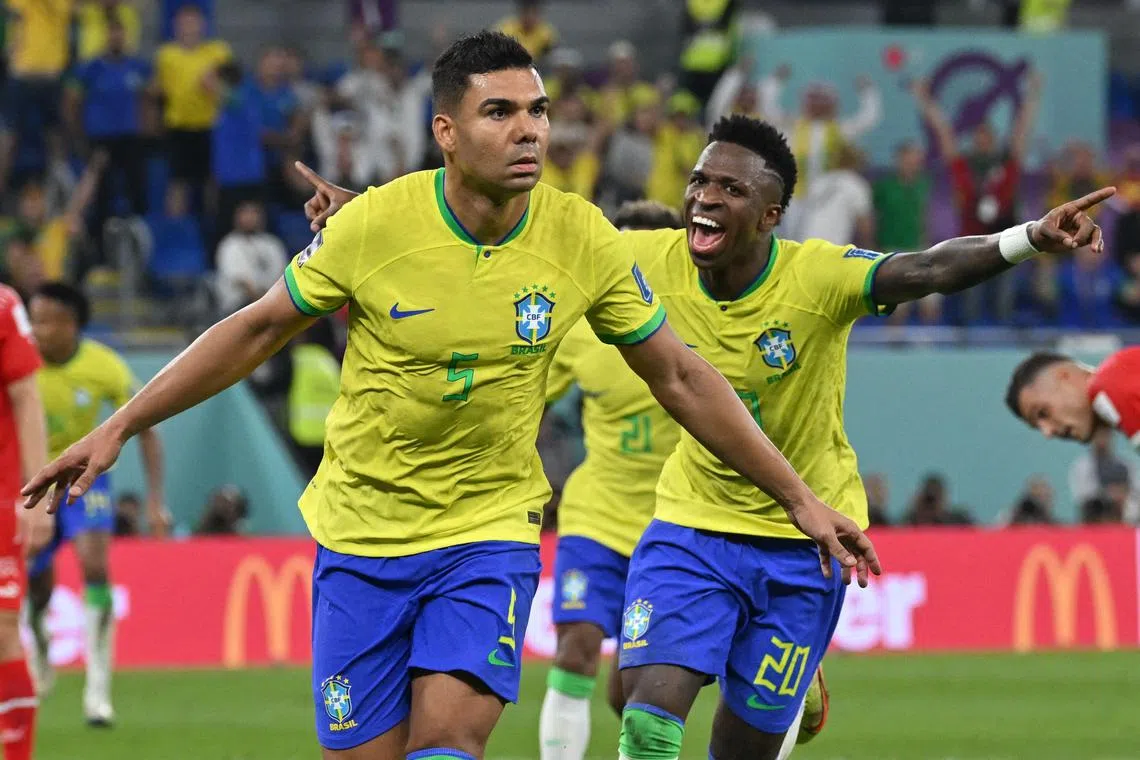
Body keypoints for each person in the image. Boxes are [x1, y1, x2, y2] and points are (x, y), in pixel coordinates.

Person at [21, 33, 878, 760]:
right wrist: (124, 425)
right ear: (447, 131)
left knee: (450, 746)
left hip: (488, 534)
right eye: (500, 113)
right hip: (360, 537)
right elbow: (254, 329)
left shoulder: (579, 235)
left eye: (537, 111)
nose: (529, 130)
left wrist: (799, 497)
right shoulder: (374, 227)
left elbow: (684, 374)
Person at [297, 101, 1110, 757]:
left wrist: (1028, 238)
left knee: (742, 746)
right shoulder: (645, 257)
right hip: (688, 526)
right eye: (698, 182)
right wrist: (374, 219)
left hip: (806, 533)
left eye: (727, 190)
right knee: (645, 714)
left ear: (769, 214)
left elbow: (927, 267)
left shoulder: (818, 277)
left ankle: (784, 687)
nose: (703, 199)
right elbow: (510, 232)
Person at [539, 199, 831, 760]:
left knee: (636, 694)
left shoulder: (706, 332)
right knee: (576, 652)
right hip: (598, 515)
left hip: (688, 520)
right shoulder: (581, 330)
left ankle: (790, 670)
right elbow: (522, 398)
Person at [25, 281, 168, 726]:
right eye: (32, 318)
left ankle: (98, 691)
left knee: (94, 566)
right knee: (35, 585)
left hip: (83, 485)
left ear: (71, 324)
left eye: (45, 320)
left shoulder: (104, 366)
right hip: (32, 486)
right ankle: (42, 649)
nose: (35, 329)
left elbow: (146, 427)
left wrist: (155, 502)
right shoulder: (19, 362)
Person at [0, 283, 52, 760]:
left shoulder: (3, 306)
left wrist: (33, 494)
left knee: (2, 632)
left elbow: (26, 397)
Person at [1005, 348, 1140, 449]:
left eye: (1043, 413)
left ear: (1064, 377)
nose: (1048, 432)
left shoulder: (1110, 385)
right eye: (1038, 427)